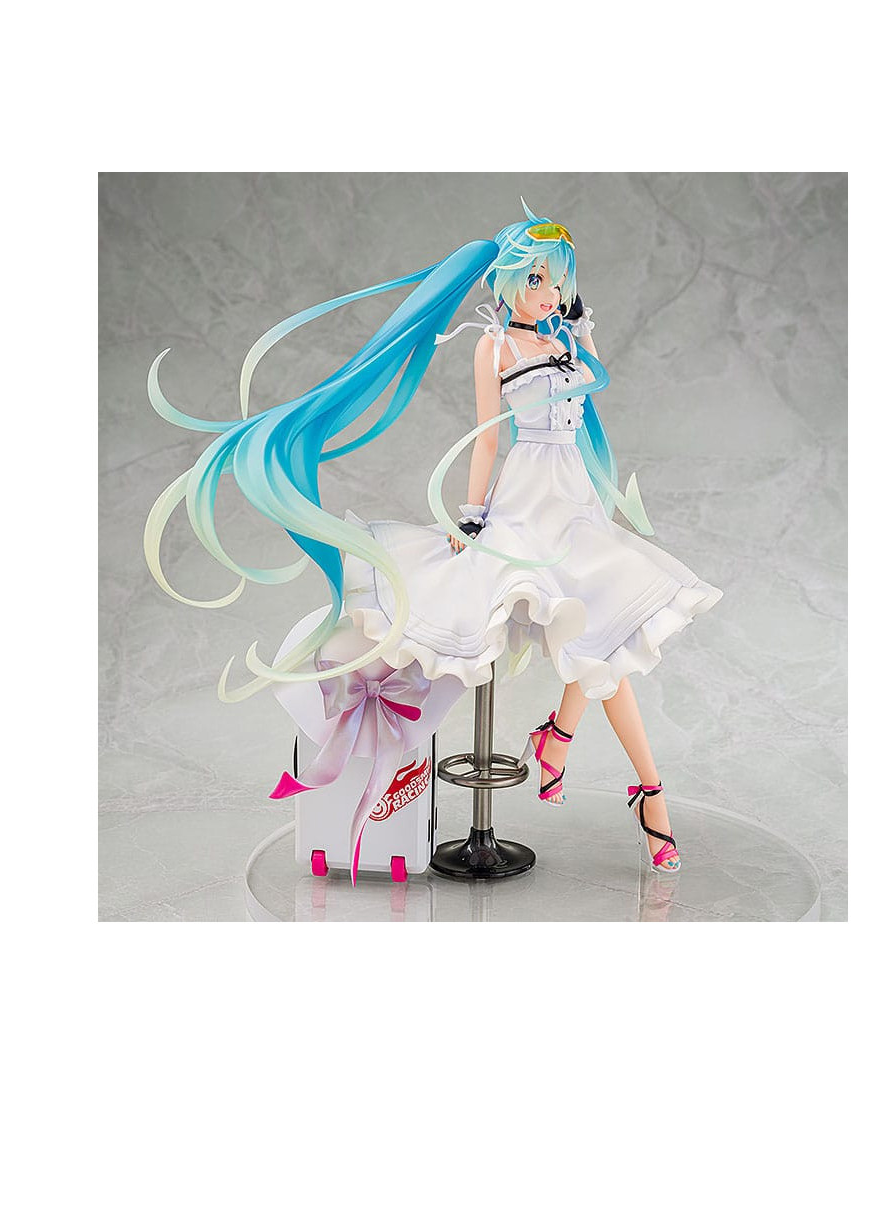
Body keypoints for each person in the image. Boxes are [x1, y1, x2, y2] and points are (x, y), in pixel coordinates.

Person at [144, 199, 723, 874]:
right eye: (536, 279)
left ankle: (561, 739)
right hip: (528, 498)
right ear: (508, 280)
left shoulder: (565, 338)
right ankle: (644, 792)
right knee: (595, 636)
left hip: (577, 499)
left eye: (557, 279)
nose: (549, 292)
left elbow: (594, 386)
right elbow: (487, 439)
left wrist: (580, 330)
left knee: (608, 627)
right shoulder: (495, 346)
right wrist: (471, 516)